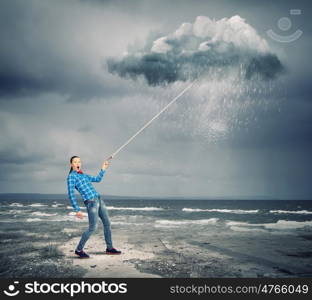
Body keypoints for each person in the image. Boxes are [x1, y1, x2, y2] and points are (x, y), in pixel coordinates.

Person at [67, 155, 121, 258]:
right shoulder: (71, 177)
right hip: (91, 202)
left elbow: (97, 179)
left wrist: (103, 169)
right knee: (93, 228)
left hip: (98, 199)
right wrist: (77, 210)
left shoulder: (83, 175)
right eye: (75, 162)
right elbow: (71, 194)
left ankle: (109, 248)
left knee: (107, 223)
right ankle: (79, 249)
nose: (78, 163)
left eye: (79, 161)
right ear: (71, 164)